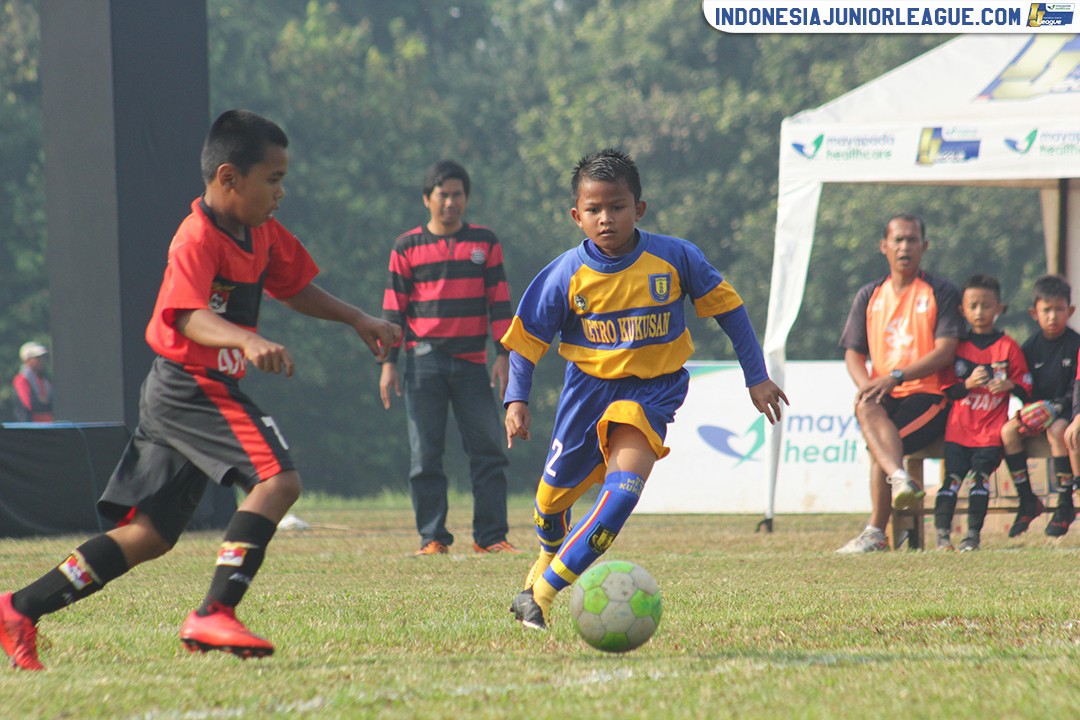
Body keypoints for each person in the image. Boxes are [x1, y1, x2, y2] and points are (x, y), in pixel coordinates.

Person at [0, 109, 400, 671]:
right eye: (274, 179)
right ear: (229, 178)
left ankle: (20, 607)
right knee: (278, 480)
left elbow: (294, 287)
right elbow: (186, 315)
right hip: (190, 385)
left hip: (180, 392)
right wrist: (245, 338)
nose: (281, 193)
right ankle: (215, 611)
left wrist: (357, 318)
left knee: (149, 536)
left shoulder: (261, 232)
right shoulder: (196, 238)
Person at [502, 149, 787, 630]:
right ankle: (548, 557)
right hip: (586, 395)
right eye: (594, 209)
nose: (606, 218)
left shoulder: (676, 257)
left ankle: (541, 596)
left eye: (617, 207)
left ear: (639, 209)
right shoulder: (564, 274)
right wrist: (516, 399)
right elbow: (526, 341)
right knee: (549, 507)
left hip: (652, 393)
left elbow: (730, 310)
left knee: (621, 495)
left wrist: (755, 376)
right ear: (576, 216)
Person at [379, 160, 519, 556]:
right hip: (423, 361)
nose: (450, 202)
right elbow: (393, 310)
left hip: (473, 363)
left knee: (489, 449)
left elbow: (500, 301)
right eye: (442, 195)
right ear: (427, 199)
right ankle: (433, 537)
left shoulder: (484, 242)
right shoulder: (407, 246)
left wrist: (503, 355)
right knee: (425, 454)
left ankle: (490, 537)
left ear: (466, 198)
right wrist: (388, 364)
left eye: (457, 195)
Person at [836, 213, 962, 554]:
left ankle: (876, 532)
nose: (905, 246)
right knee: (864, 405)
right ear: (884, 246)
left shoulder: (940, 291)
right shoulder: (869, 295)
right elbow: (853, 353)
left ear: (924, 246)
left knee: (880, 448)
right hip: (886, 396)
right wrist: (868, 386)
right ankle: (900, 479)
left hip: (930, 396)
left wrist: (895, 377)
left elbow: (945, 352)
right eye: (898, 240)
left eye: (912, 240)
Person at [933, 275, 1031, 551]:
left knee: (980, 480)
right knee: (951, 480)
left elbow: (1027, 386)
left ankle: (972, 536)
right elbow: (945, 389)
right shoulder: (956, 347)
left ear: (999, 308)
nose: (979, 312)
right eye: (973, 306)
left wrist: (1010, 385)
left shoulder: (1007, 346)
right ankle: (942, 536)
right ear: (962, 310)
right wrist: (967, 384)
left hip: (989, 434)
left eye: (986, 306)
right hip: (958, 431)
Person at [1001, 274, 1080, 538]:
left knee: (1057, 431)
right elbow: (1025, 385)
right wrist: (1027, 406)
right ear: (1034, 313)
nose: (1053, 316)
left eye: (1059, 309)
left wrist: (1055, 407)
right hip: (1040, 412)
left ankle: (1065, 504)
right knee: (1007, 432)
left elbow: (1076, 388)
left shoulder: (1075, 344)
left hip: (1067, 412)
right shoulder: (1029, 347)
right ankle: (1027, 500)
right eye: (1046, 310)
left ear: (1070, 311)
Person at [11, 341, 54, 423]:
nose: (42, 361)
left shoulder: (45, 380)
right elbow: (30, 404)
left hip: (47, 424)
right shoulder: (21, 380)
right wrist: (45, 403)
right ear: (27, 360)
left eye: (43, 357)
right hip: (30, 426)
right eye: (37, 358)